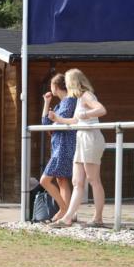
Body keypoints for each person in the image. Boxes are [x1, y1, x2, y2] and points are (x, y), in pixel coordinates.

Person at [50, 69, 107, 227]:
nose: (66, 86)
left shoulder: (86, 95)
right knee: (77, 181)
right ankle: (68, 217)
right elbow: (75, 121)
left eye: (68, 83)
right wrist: (57, 119)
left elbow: (101, 110)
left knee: (93, 179)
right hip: (81, 138)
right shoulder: (79, 98)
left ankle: (98, 218)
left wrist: (86, 115)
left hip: (90, 138)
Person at [38, 74, 77, 220]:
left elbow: (58, 123)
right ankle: (67, 216)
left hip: (64, 147)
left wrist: (54, 123)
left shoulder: (69, 101)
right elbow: (46, 125)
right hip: (58, 146)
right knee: (62, 180)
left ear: (55, 86)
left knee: (44, 180)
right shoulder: (60, 104)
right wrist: (46, 102)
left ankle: (64, 209)